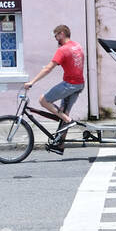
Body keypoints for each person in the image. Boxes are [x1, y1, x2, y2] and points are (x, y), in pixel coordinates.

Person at [23, 25, 86, 155]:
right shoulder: (77, 46)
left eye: (56, 35)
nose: (55, 38)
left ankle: (69, 121)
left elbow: (48, 68)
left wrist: (32, 82)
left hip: (70, 84)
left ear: (62, 34)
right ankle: (59, 144)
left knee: (43, 100)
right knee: (63, 112)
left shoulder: (63, 50)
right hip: (79, 84)